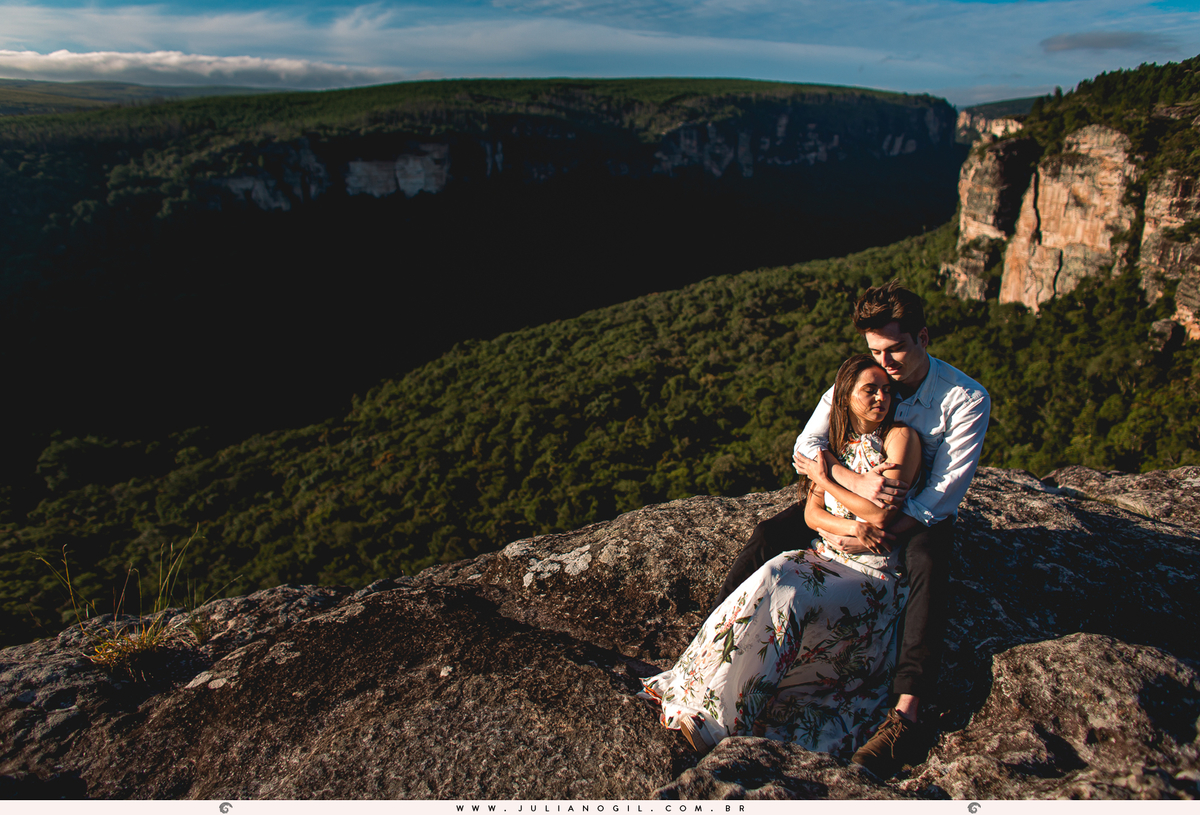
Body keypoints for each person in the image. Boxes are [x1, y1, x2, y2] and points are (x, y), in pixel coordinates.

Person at [706, 281, 990, 777]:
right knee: (769, 536)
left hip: (915, 515)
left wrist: (879, 527)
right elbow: (805, 448)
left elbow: (940, 496)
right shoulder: (863, 379)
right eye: (875, 351)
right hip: (848, 498)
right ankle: (709, 643)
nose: (885, 363)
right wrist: (853, 486)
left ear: (923, 337)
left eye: (895, 348)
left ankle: (905, 715)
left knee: (927, 566)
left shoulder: (964, 399)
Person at [641, 354, 923, 755]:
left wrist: (827, 480)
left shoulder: (900, 438)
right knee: (773, 573)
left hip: (871, 574)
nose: (882, 397)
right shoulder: (836, 444)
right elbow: (812, 514)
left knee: (791, 593)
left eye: (887, 390)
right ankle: (699, 694)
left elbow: (882, 514)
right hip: (829, 554)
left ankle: (724, 720)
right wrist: (851, 526)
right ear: (845, 397)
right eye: (870, 390)